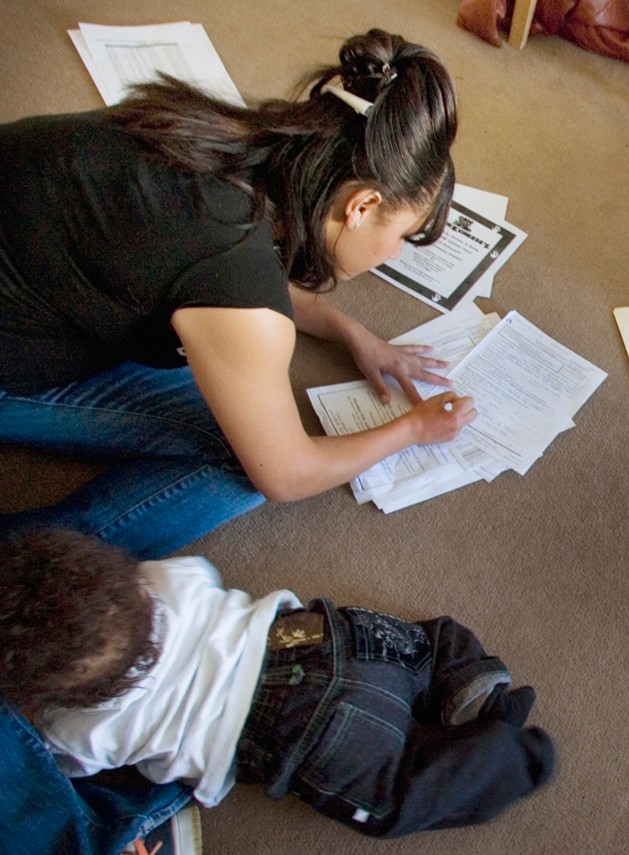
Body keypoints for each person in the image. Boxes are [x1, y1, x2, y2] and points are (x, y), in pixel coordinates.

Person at [0, 29, 479, 559]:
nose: (391, 255)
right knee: (242, 460)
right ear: (362, 207)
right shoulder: (236, 280)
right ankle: (27, 570)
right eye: (402, 237)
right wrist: (412, 429)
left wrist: (350, 331)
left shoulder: (240, 141)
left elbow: (214, 270)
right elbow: (286, 474)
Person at [0, 529, 556, 839]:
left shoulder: (77, 731)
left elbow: (62, 769)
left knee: (395, 798)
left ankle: (511, 760)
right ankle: (469, 681)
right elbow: (206, 577)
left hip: (301, 731)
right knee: (428, 641)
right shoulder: (159, 578)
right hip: (319, 637)